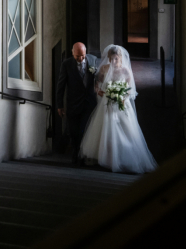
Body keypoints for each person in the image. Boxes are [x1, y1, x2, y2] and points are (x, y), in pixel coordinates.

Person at [80, 44, 158, 173]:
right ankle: (108, 158)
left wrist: (122, 97)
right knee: (107, 129)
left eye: (116, 59)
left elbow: (130, 90)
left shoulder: (126, 71)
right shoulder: (104, 69)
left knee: (125, 130)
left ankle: (123, 158)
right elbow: (97, 83)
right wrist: (99, 91)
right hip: (107, 102)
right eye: (111, 59)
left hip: (121, 103)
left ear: (120, 58)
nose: (113, 61)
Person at [56, 42, 99, 166]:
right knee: (73, 132)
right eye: (77, 56)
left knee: (84, 130)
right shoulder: (66, 64)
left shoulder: (93, 59)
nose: (80, 59)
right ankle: (75, 153)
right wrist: (60, 105)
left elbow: (99, 77)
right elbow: (61, 85)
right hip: (73, 104)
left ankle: (82, 155)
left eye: (83, 56)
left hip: (89, 103)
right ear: (72, 53)